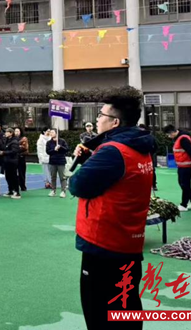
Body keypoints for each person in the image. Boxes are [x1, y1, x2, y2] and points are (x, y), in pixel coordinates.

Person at [70, 95, 154, 330]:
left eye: (101, 115)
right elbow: (119, 178)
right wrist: (91, 159)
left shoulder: (112, 151)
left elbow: (77, 185)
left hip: (103, 243)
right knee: (126, 307)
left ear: (115, 122)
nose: (97, 120)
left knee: (98, 313)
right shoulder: (140, 147)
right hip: (128, 242)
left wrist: (91, 162)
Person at [163, 124, 191, 211]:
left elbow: (190, 151)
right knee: (184, 184)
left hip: (187, 165)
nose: (169, 137)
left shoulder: (183, 139)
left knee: (184, 185)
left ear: (172, 132)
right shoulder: (180, 137)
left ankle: (184, 205)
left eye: (168, 135)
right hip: (183, 165)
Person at [46, 129, 69, 198]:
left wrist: (60, 147)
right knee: (53, 177)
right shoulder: (49, 142)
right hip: (52, 162)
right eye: (50, 132)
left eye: (52, 132)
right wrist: (54, 149)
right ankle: (53, 190)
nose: (51, 133)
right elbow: (48, 152)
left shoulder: (62, 141)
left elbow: (67, 149)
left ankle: (63, 191)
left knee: (62, 177)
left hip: (61, 161)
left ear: (56, 133)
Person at [0, 128, 21, 199]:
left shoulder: (14, 141)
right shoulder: (7, 140)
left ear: (11, 133)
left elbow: (14, 151)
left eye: (7, 132)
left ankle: (17, 192)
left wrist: (4, 152)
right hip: (7, 161)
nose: (5, 133)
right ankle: (10, 190)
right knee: (8, 177)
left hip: (12, 162)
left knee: (14, 177)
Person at [139, 124, 158, 191]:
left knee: (150, 170)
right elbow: (155, 147)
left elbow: (155, 147)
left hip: (147, 156)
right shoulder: (150, 137)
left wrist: (151, 153)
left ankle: (153, 185)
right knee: (148, 170)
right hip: (145, 156)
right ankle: (151, 185)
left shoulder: (149, 137)